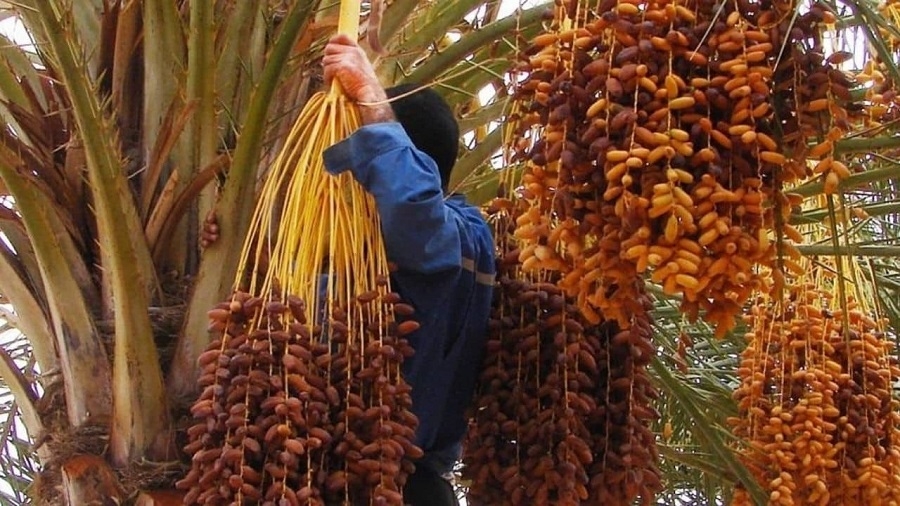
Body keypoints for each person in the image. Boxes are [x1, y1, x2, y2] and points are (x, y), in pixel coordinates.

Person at [322, 34, 496, 506]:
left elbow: (412, 208)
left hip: (395, 484)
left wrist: (373, 102)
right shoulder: (366, 250)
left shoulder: (461, 235)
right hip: (337, 474)